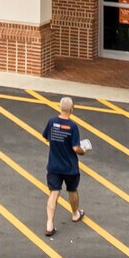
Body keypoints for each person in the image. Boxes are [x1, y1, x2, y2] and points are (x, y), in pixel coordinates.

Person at [41, 97, 89, 235]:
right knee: (72, 190)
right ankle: (75, 214)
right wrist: (83, 150)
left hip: (54, 165)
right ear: (72, 109)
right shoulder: (73, 126)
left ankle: (49, 223)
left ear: (60, 107)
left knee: (54, 192)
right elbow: (75, 148)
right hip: (69, 167)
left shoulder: (51, 122)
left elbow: (46, 137)